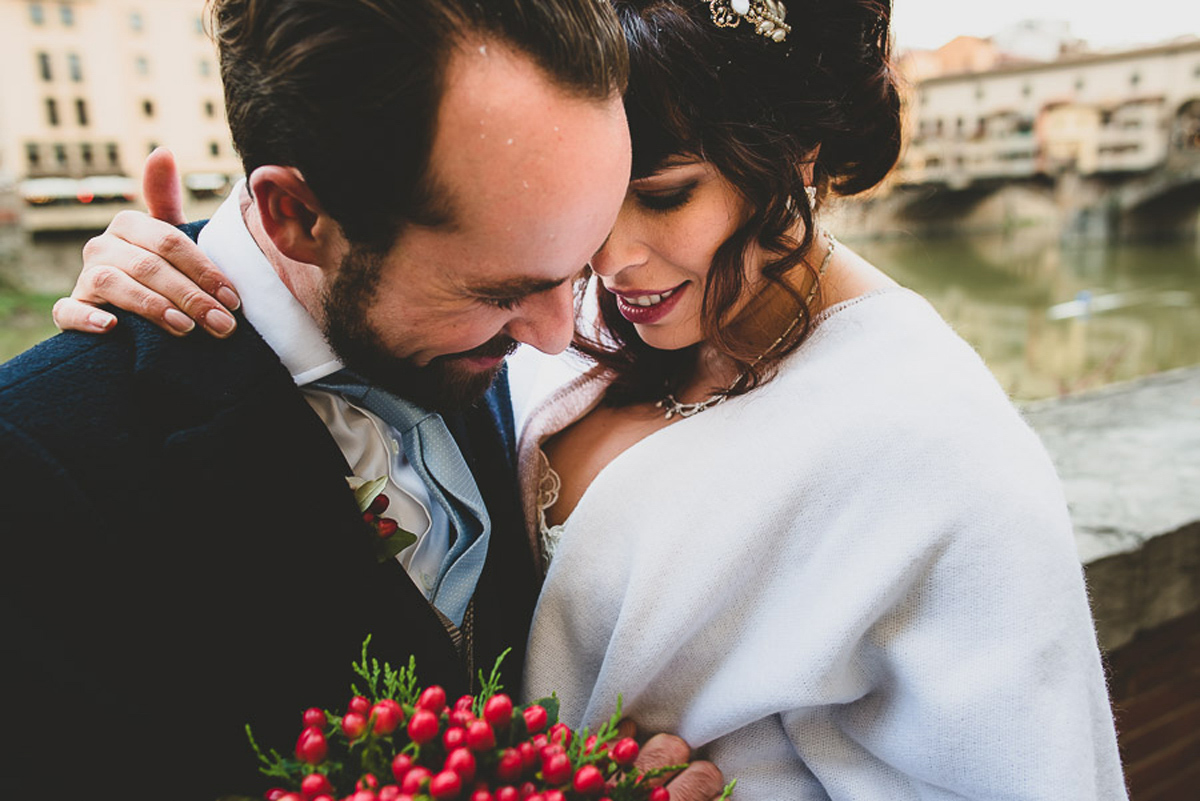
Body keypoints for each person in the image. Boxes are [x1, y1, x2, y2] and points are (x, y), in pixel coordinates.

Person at [55, 1, 1127, 798]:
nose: (602, 265)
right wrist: (204, 266)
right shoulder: (567, 319)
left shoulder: (938, 446)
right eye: (585, 207)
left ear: (793, 156)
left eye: (662, 196)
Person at [0, 1, 726, 798]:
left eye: (578, 266)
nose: (556, 338)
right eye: (499, 291)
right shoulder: (34, 472)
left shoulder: (494, 337)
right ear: (299, 215)